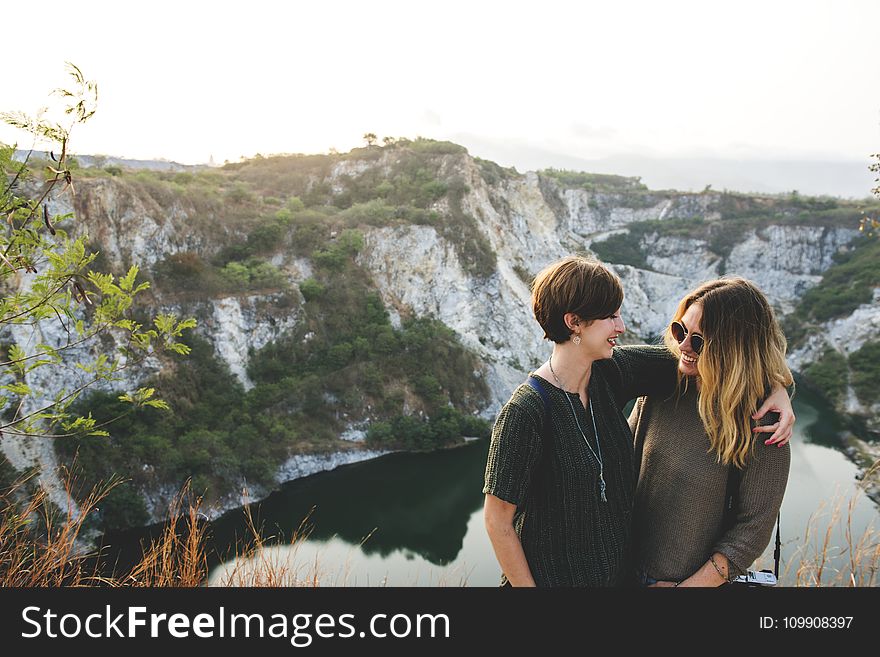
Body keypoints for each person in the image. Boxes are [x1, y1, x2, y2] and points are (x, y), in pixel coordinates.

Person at [482, 257, 793, 587]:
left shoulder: (610, 376)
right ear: (574, 322)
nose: (621, 327)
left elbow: (732, 366)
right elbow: (497, 520)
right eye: (680, 331)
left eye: (698, 340)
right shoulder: (531, 409)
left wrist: (777, 387)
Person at [629, 278, 793, 587]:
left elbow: (751, 532)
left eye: (699, 341)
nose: (683, 347)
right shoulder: (664, 385)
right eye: (681, 331)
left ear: (733, 346)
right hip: (622, 571)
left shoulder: (762, 423)